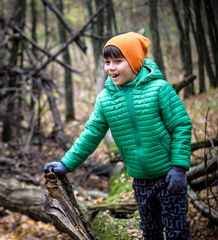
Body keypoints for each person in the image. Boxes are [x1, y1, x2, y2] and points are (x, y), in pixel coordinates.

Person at [43, 32, 192, 240]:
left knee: (177, 231)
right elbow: (91, 133)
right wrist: (67, 164)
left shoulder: (159, 89)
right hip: (140, 179)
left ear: (134, 61)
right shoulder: (105, 99)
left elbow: (181, 126)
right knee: (150, 231)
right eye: (107, 62)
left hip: (168, 175)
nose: (111, 67)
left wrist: (179, 166)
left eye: (118, 61)